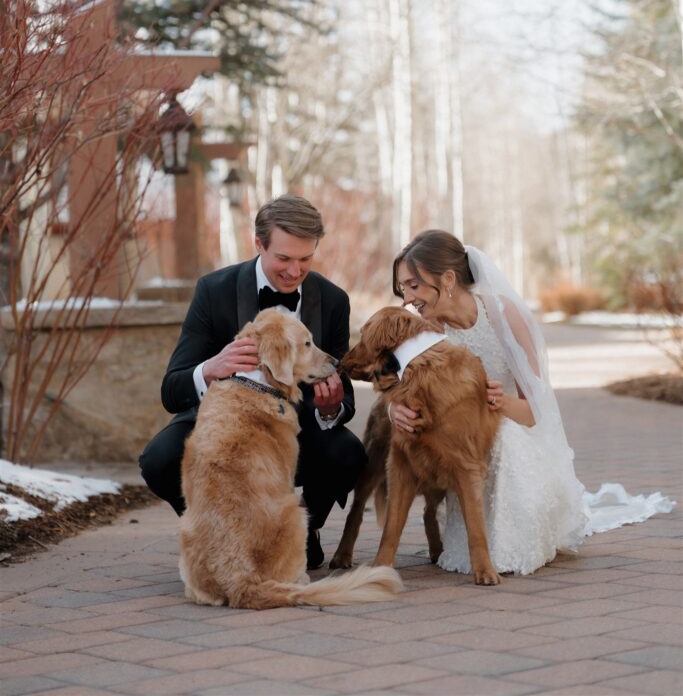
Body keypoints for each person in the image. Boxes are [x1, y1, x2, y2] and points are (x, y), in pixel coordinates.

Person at [390, 229, 674, 576]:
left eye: (413, 286)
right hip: (463, 444)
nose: (406, 299)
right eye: (403, 288)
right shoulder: (425, 331)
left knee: (501, 438)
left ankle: (513, 537)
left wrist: (498, 402)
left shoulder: (503, 314)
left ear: (447, 279)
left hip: (511, 432)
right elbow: (397, 386)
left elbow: (535, 412)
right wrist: (395, 410)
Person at [139, 194, 366, 570]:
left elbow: (345, 403)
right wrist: (211, 367)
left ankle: (299, 529)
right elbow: (172, 389)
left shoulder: (332, 300)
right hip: (224, 428)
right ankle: (218, 530)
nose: (295, 272)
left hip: (293, 431)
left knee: (348, 454)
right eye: (284, 259)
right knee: (160, 459)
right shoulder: (215, 291)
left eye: (305, 259)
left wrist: (331, 407)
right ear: (259, 244)